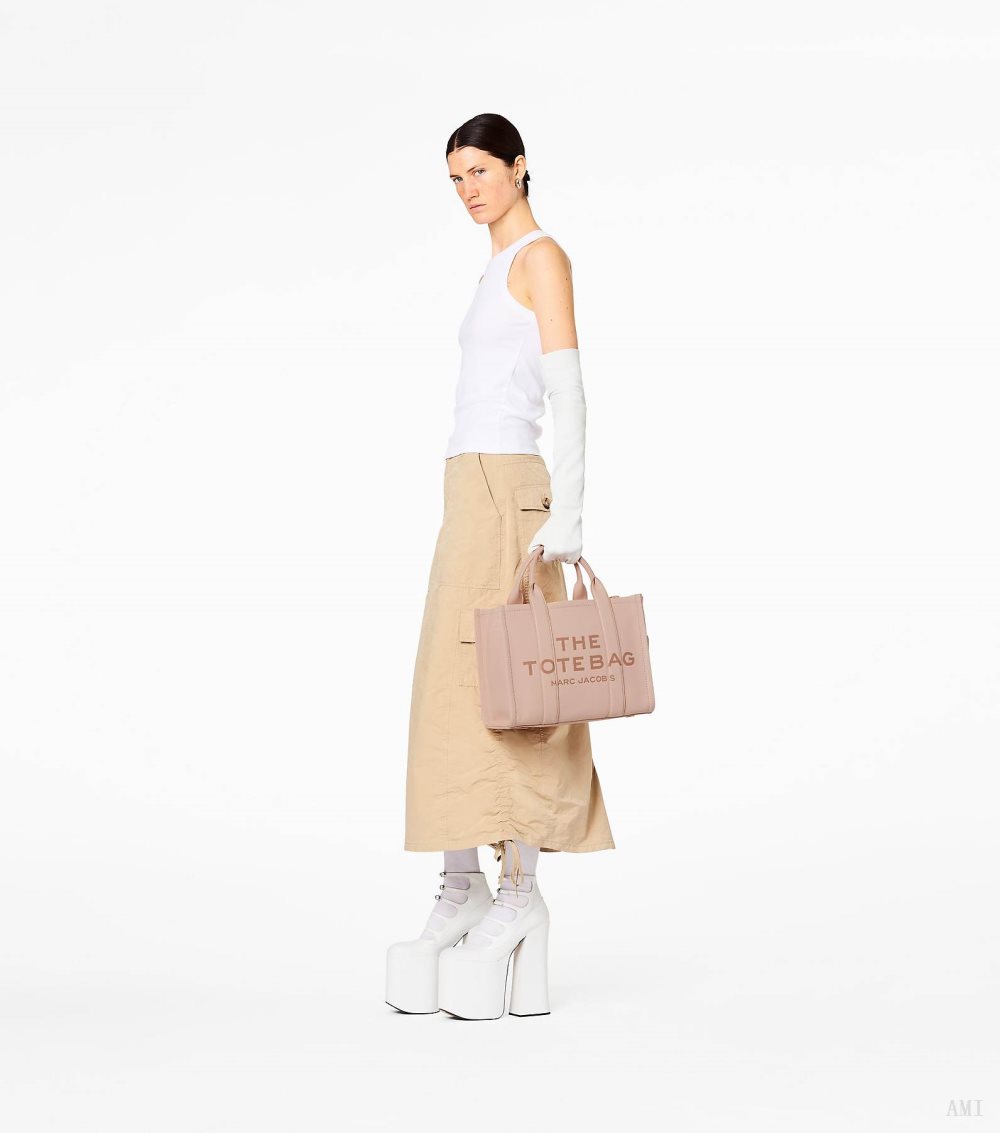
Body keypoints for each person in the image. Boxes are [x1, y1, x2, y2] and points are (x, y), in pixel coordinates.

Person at [385, 113, 615, 1021]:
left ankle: (518, 895)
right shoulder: (491, 268)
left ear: (520, 168)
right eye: (455, 177)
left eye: (480, 170)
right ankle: (463, 883)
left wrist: (570, 515)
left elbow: (568, 391)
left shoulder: (542, 257)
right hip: (466, 487)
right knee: (453, 690)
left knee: (511, 692)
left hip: (510, 489)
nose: (468, 190)